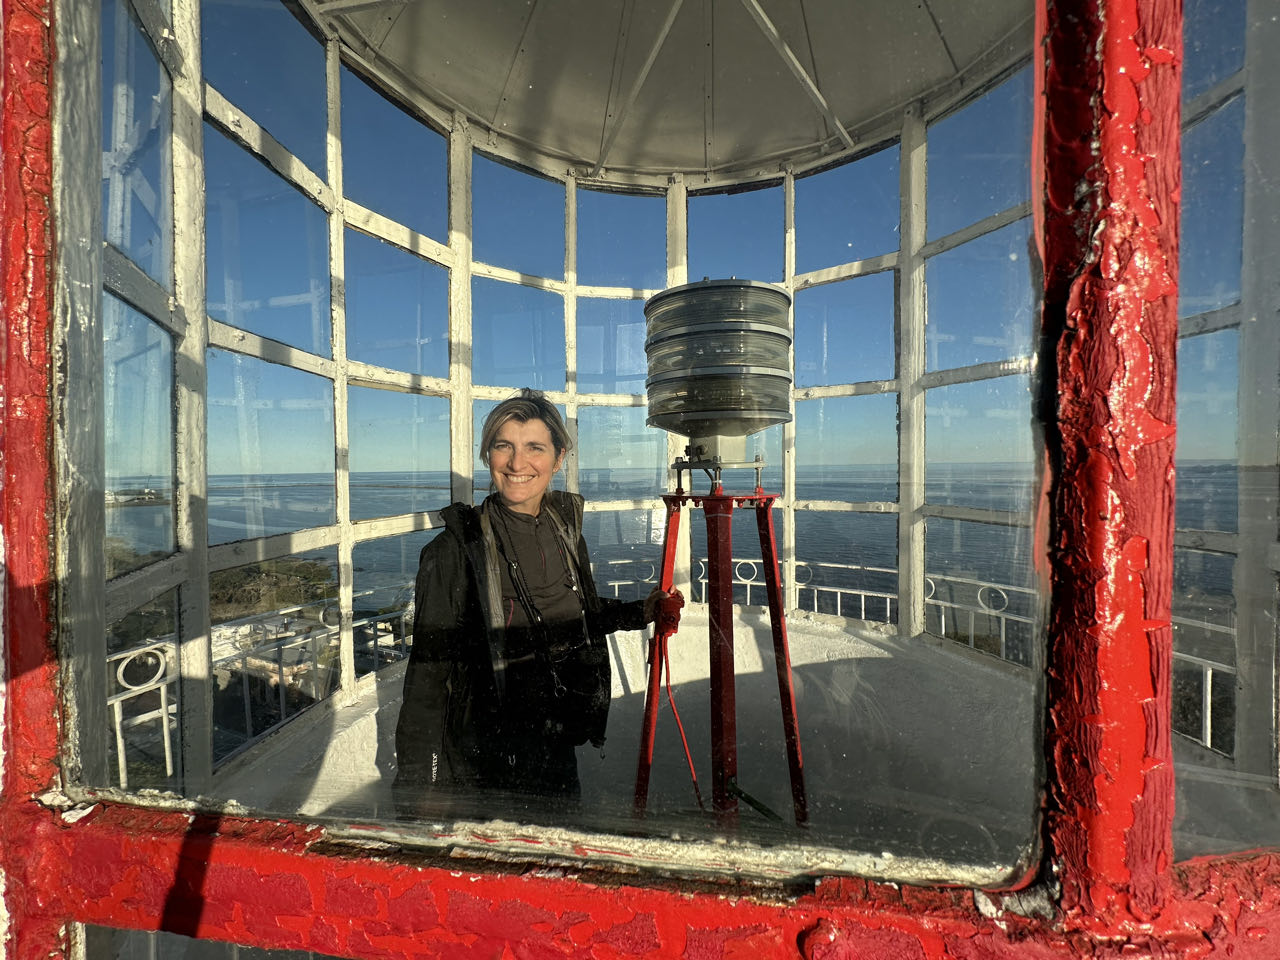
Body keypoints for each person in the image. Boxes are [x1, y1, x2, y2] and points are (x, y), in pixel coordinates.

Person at [394, 388, 675, 815]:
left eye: (534, 448)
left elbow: (572, 612)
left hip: (556, 740)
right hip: (485, 758)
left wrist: (640, 612)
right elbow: (427, 679)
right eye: (503, 446)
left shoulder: (565, 531)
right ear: (487, 455)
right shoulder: (455, 550)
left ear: (558, 458)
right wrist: (421, 786)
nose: (517, 463)